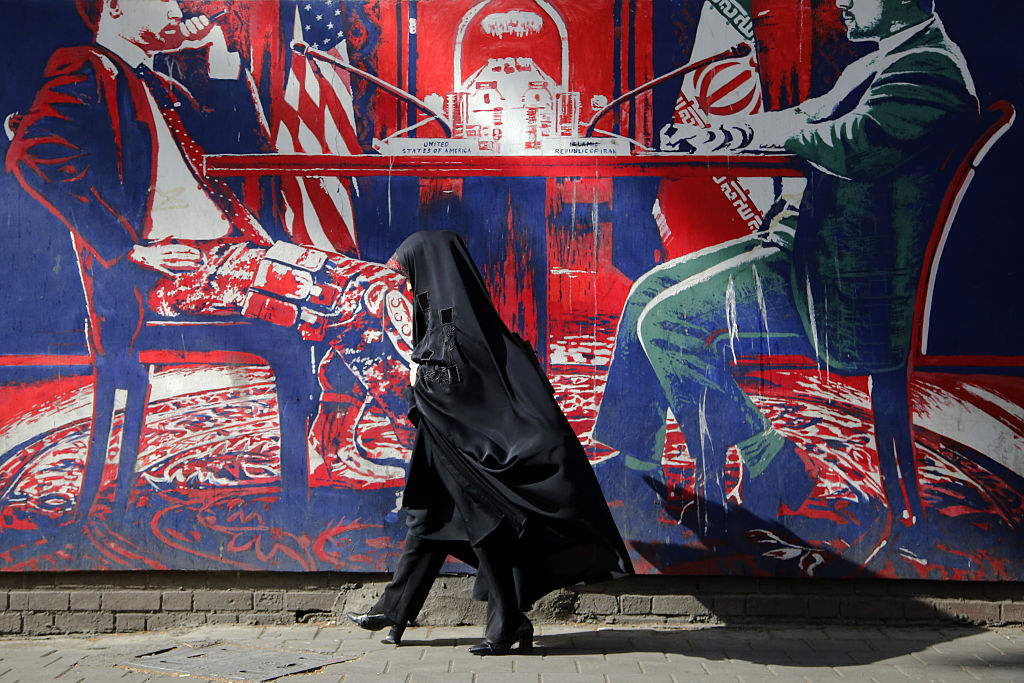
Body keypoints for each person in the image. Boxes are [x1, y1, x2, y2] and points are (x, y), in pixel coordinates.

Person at [5, 0, 412, 514]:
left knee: (384, 287)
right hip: (176, 276)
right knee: (366, 295)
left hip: (231, 256)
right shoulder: (87, 66)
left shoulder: (156, 83)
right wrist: (128, 248)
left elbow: (238, 140)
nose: (178, 6)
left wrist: (215, 56)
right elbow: (32, 153)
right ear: (115, 7)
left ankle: (334, 444)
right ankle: (424, 460)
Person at [594, 0, 979, 531]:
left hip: (839, 289)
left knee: (665, 321)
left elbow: (853, 144)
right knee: (646, 292)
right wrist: (725, 136)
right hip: (805, 254)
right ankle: (638, 465)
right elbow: (806, 119)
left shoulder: (930, 70)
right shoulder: (881, 61)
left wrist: (779, 136)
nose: (842, 0)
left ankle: (768, 456)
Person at [348, 231, 634, 655]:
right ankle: (400, 607)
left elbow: (446, 390)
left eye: (410, 277)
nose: (408, 289)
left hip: (473, 453)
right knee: (430, 518)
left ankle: (502, 621)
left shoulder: (455, 332)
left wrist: (417, 383)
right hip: (452, 444)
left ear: (428, 273)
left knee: (466, 521)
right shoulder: (459, 324)